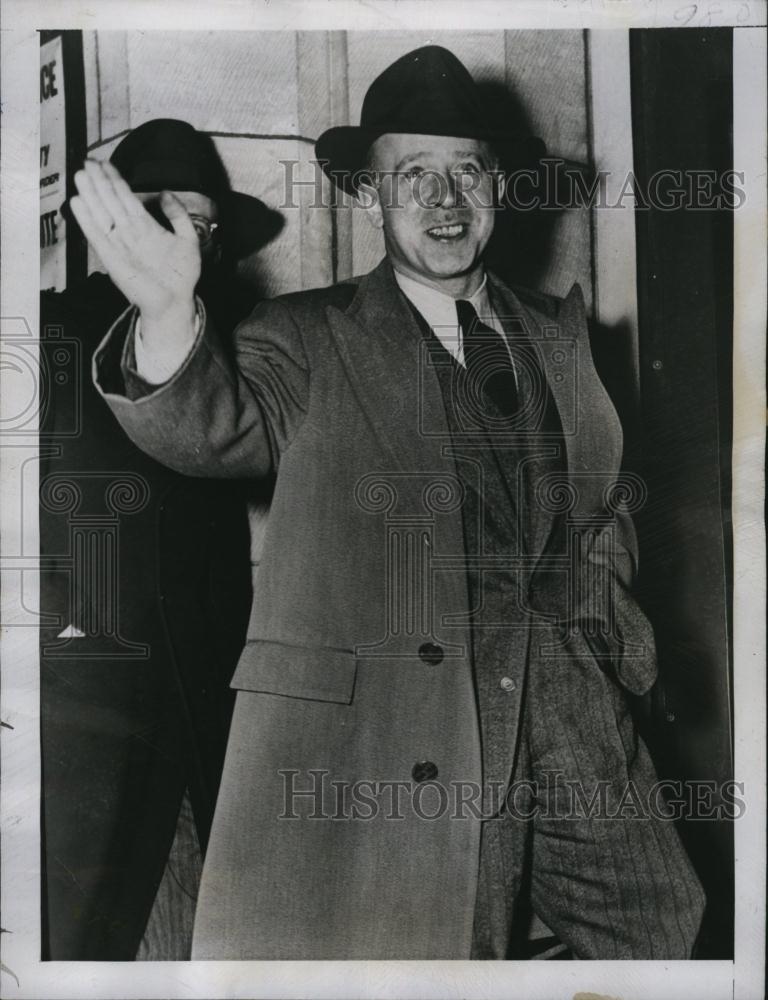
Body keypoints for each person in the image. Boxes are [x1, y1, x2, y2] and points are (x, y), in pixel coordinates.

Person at [71, 48, 705, 960]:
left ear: (498, 188)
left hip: (573, 719)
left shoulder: (562, 339)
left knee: (664, 932)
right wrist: (170, 319)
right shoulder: (305, 339)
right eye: (415, 175)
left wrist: (601, 644)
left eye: (467, 173)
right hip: (413, 734)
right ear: (368, 198)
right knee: (451, 952)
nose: (446, 200)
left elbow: (603, 514)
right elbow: (208, 426)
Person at [40, 119, 279, 959]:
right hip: (75, 738)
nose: (179, 240)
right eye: (155, 213)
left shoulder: (240, 351)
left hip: (205, 728)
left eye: (201, 225)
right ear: (107, 228)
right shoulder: (39, 339)